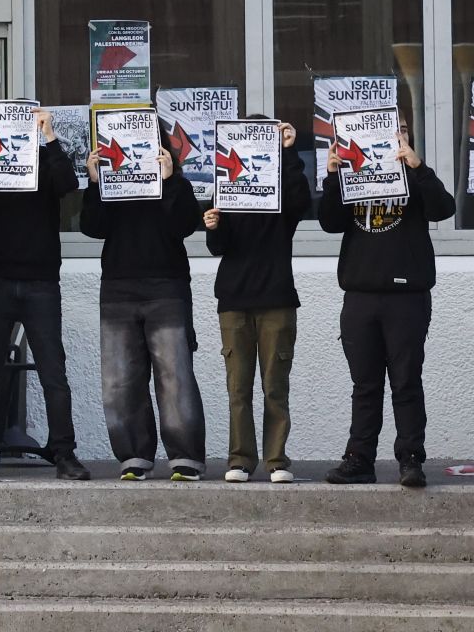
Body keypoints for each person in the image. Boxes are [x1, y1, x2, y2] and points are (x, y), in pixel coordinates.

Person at [318, 115, 453, 488]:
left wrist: (418, 166)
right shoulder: (352, 172)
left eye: (403, 130)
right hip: (360, 294)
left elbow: (444, 209)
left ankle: (411, 459)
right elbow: (329, 221)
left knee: (406, 381)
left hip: (407, 297)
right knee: (364, 384)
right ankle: (359, 459)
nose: (397, 136)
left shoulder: (414, 175)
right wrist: (332, 175)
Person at [0, 109, 90, 482]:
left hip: (41, 283)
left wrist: (49, 137)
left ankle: (64, 453)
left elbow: (67, 186)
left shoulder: (46, 162)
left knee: (53, 372)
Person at [78, 139, 206, 482]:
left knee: (175, 376)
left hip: (167, 285)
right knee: (120, 381)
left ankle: (186, 458)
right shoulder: (112, 177)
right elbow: (92, 227)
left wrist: (170, 181)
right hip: (118, 285)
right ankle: (133, 456)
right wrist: (94, 182)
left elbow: (186, 225)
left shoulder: (175, 181)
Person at [204, 118, 310, 484]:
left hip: (277, 298)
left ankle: (277, 460)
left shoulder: (282, 191)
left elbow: (301, 201)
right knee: (238, 387)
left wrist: (289, 152)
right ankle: (240, 459)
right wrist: (214, 225)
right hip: (233, 299)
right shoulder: (225, 187)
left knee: (274, 386)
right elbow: (218, 247)